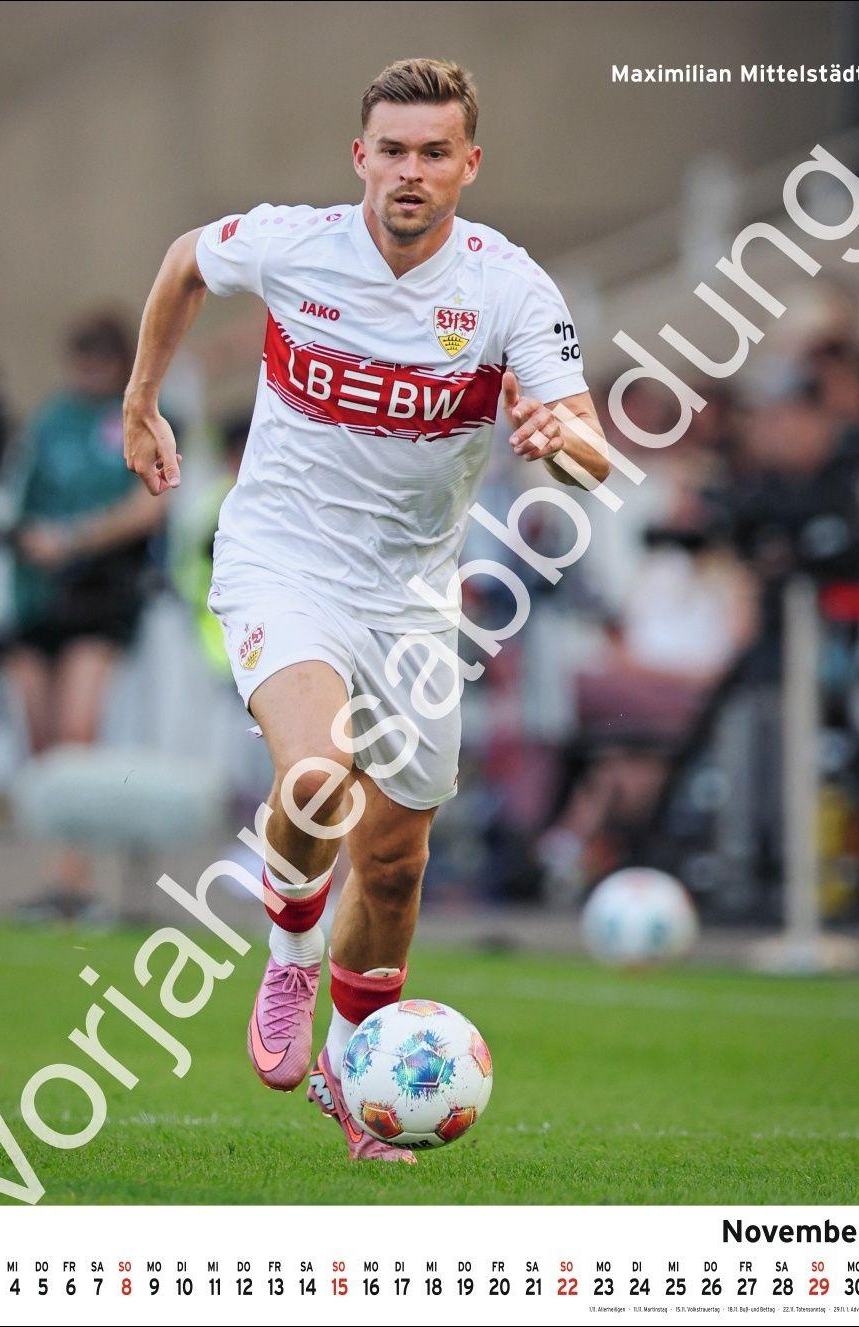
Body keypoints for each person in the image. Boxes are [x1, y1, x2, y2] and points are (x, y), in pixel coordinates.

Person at [123, 58, 609, 1160]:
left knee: (391, 864)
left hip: (413, 601)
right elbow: (183, 260)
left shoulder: (509, 291)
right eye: (392, 149)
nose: (411, 171)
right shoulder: (299, 245)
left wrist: (558, 444)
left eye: (436, 152)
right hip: (282, 562)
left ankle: (356, 1076)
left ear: (468, 166)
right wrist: (141, 398)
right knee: (313, 775)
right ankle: (290, 948)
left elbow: (591, 449)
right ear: (361, 158)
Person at [9, 311, 163, 922]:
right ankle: (58, 867)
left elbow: (148, 503)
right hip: (38, 595)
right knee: (39, 737)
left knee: (78, 728)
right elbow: (20, 501)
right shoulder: (52, 419)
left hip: (100, 596)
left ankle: (78, 872)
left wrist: (75, 539)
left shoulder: (138, 415)